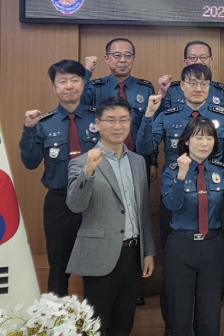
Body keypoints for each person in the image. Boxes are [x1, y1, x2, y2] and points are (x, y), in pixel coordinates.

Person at [135, 63, 224, 334]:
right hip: (176, 191)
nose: (198, 88)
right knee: (175, 275)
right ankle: (174, 322)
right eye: (192, 83)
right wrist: (149, 115)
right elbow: (144, 147)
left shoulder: (222, 115)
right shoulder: (168, 115)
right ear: (181, 86)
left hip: (213, 193)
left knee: (208, 295)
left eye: (204, 83)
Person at [65, 97, 156, 335]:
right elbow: (75, 205)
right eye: (111, 120)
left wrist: (148, 251)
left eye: (123, 120)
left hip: (133, 254)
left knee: (123, 324)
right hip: (100, 255)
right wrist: (88, 172)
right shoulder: (81, 162)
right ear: (97, 124)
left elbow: (143, 210)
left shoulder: (138, 161)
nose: (118, 126)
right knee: (95, 325)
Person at [19, 59, 98, 297]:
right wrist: (28, 128)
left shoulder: (100, 119)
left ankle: (96, 319)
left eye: (75, 80)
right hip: (60, 202)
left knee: (97, 267)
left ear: (83, 84)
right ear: (54, 87)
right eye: (62, 81)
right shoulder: (43, 123)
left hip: (96, 199)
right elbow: (30, 162)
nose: (69, 86)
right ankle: (57, 318)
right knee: (59, 268)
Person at [160, 116, 224, 336]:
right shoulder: (172, 170)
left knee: (209, 315)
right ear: (186, 141)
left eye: (209, 138)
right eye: (198, 137)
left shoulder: (220, 171)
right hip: (181, 246)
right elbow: (171, 204)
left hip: (213, 246)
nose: (204, 143)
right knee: (178, 315)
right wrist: (182, 175)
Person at [81, 38, 161, 183]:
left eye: (128, 55)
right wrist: (87, 72)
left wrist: (153, 161)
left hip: (138, 158)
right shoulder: (95, 87)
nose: (123, 60)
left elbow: (151, 125)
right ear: (107, 59)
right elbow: (79, 105)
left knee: (138, 197)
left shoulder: (145, 88)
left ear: (133, 58)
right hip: (103, 158)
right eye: (117, 55)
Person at [163, 40, 224, 115]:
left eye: (203, 57)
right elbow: (162, 118)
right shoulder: (172, 90)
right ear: (185, 62)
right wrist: (162, 93)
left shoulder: (222, 92)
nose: (198, 62)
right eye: (193, 57)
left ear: (211, 61)